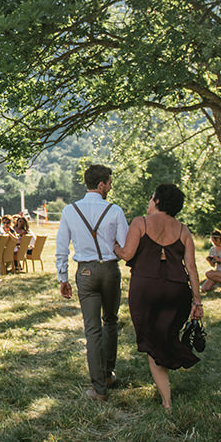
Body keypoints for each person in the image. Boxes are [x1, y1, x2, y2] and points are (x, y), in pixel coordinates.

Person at [113, 183, 204, 411]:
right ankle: (173, 362)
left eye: (152, 196)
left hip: (146, 287)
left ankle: (167, 400)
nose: (150, 200)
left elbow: (127, 254)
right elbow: (191, 268)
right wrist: (197, 301)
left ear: (158, 201)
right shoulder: (183, 231)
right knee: (165, 335)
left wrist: (114, 246)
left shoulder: (140, 222)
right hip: (177, 289)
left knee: (152, 342)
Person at [55, 164, 130, 402]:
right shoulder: (115, 210)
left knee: (92, 329)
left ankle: (99, 389)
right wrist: (115, 251)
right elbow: (125, 246)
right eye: (109, 183)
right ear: (101, 185)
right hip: (109, 269)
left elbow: (61, 247)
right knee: (110, 321)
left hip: (85, 271)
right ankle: (108, 374)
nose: (110, 187)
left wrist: (62, 277)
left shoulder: (69, 210)